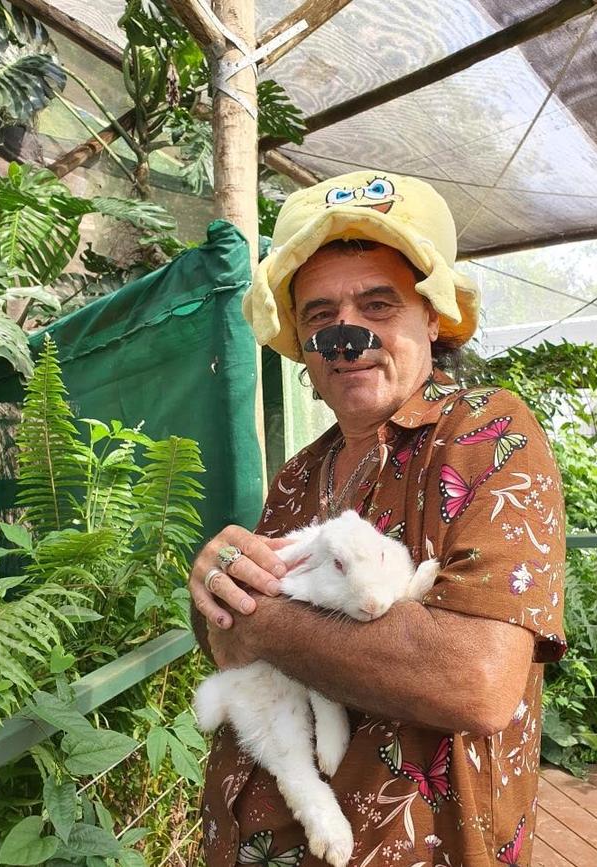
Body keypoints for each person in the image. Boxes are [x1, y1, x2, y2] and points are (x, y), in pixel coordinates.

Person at [189, 171, 566, 867]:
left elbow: (476, 682)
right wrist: (214, 589)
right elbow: (227, 644)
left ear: (434, 315)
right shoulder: (300, 472)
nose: (344, 334)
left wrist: (265, 620)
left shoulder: (487, 436)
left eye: (377, 303)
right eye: (319, 313)